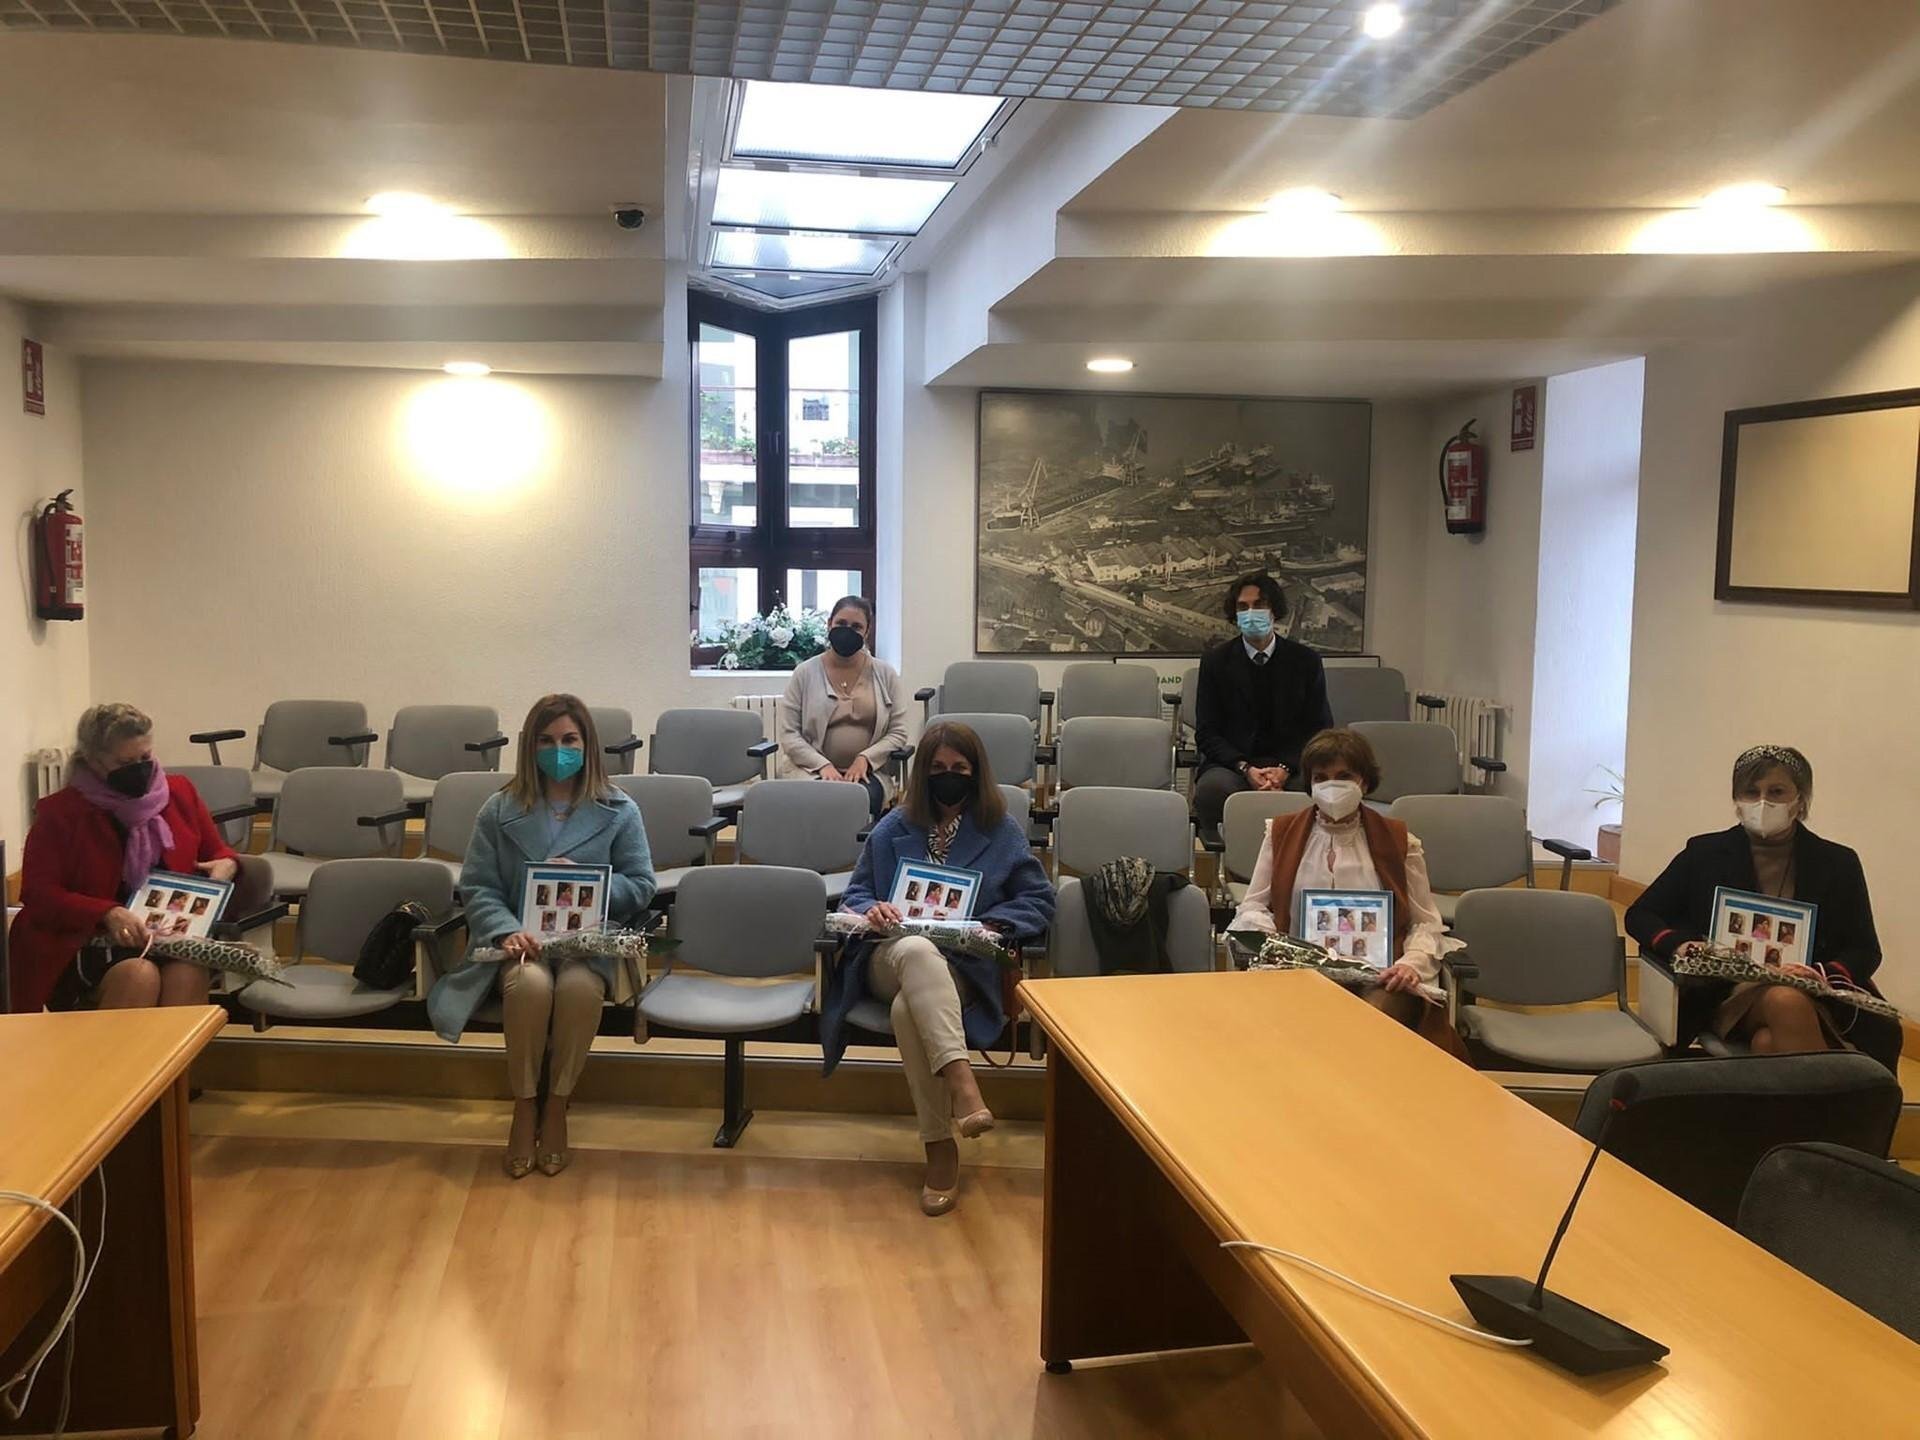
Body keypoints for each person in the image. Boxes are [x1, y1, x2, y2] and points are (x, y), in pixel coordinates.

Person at [822, 721, 1054, 1217]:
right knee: (915, 951)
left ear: (976, 772)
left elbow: (1038, 900)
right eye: (939, 767)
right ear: (923, 772)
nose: (949, 776)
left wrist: (991, 923)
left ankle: (939, 1147)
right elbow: (856, 892)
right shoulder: (893, 826)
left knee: (909, 1011)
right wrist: (872, 909)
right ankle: (964, 1087)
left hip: (963, 966)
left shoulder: (1000, 831)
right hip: (888, 957)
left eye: (959, 768)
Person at [427, 694, 656, 1179]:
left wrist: (590, 884)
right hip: (521, 940)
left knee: (578, 989)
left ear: (587, 745)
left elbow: (642, 885)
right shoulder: (498, 809)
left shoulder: (620, 809)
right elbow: (478, 886)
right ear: (530, 747)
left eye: (570, 740)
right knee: (529, 986)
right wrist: (506, 930)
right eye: (547, 741)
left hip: (586, 942)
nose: (559, 750)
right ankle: (524, 1103)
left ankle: (557, 1103)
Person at [1626, 745, 1893, 1061]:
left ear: (1801, 798)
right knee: (1785, 1001)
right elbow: (1640, 914)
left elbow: (1865, 949)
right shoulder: (1703, 853)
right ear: (1737, 799)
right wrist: (1681, 945)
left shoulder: (1838, 862)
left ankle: (1808, 1092)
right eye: (1751, 792)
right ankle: (1840, 1090)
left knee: (1767, 1043)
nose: (1762, 802)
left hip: (1815, 994)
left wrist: (1820, 973)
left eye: (1776, 792)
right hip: (1725, 991)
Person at [9, 702, 267, 1013]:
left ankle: (174, 1049)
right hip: (87, 939)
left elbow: (218, 852)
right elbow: (38, 893)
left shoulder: (179, 792)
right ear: (92, 760)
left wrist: (227, 864)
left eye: (145, 757)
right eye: (125, 762)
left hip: (167, 934)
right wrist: (107, 913)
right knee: (138, 976)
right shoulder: (61, 812)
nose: (140, 769)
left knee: (187, 973)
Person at [1230, 727, 1461, 1044]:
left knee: (1368, 1020)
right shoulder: (1280, 833)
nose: (1331, 786)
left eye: (1344, 776)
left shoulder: (1400, 841)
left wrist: (1410, 965)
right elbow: (1254, 905)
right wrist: (1274, 943)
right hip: (1299, 973)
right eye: (1321, 777)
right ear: (1310, 784)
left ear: (1364, 782)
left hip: (1380, 976)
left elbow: (1425, 921)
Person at [1193, 571, 1333, 832]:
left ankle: (1305, 854)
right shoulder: (1215, 661)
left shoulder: (1305, 661)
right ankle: (1227, 855)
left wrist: (1284, 768)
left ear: (1274, 610)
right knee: (1212, 790)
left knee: (1319, 788)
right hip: (1233, 764)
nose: (1251, 613)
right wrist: (1245, 768)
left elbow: (1319, 727)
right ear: (1235, 614)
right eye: (1243, 607)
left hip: (1292, 763)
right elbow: (1207, 732)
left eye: (1259, 605)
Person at [777, 595, 911, 818]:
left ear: (867, 632)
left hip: (868, 773)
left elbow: (898, 731)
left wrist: (865, 759)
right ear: (829, 624)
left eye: (856, 626)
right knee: (821, 800)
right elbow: (790, 734)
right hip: (810, 770)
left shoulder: (885, 674)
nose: (847, 631)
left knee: (860, 800)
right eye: (841, 623)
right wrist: (822, 765)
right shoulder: (804, 673)